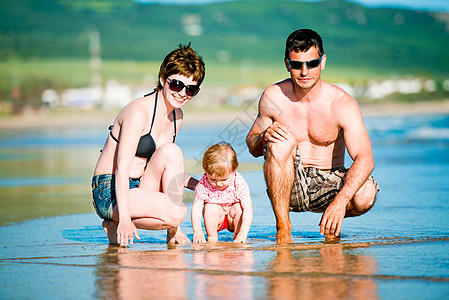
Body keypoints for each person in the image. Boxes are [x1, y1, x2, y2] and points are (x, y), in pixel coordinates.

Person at [246, 29, 380, 243]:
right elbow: (252, 145)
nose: (304, 71)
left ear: (323, 61)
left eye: (312, 63)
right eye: (297, 64)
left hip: (329, 183)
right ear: (287, 64)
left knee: (366, 193)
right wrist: (263, 136)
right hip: (288, 184)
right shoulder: (274, 96)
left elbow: (365, 159)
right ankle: (283, 229)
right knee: (281, 141)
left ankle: (331, 222)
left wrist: (339, 203)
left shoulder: (342, 103)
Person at [92, 44, 205, 247]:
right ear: (163, 80)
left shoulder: (177, 116)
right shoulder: (139, 112)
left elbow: (169, 170)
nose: (182, 93)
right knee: (177, 211)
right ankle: (116, 221)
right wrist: (125, 220)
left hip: (140, 185)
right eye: (177, 85)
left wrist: (205, 186)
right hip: (110, 189)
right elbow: (122, 167)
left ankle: (173, 232)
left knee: (172, 152)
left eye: (191, 89)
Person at [191, 142, 253, 243]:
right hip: (216, 217)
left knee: (239, 208)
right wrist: (197, 231)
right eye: (213, 179)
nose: (218, 184)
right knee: (210, 207)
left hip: (232, 217)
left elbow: (248, 209)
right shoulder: (203, 184)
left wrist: (243, 232)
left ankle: (238, 238)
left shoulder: (239, 182)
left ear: (234, 169)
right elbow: (196, 208)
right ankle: (212, 239)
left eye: (224, 179)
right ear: (205, 171)